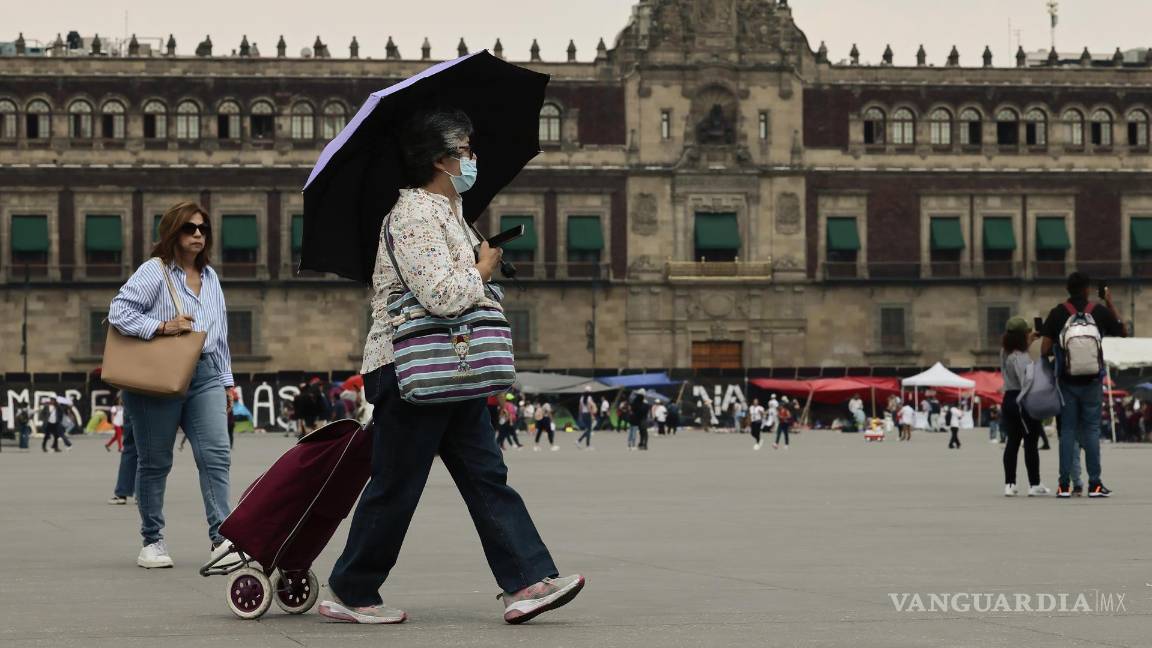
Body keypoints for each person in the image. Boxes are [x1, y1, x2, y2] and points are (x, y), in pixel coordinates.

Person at [321, 111, 582, 625]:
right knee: (397, 484)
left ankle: (526, 581)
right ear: (439, 159)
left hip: (452, 365)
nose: (473, 158)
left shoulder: (453, 214)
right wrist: (480, 270)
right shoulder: (412, 217)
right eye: (465, 149)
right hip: (410, 367)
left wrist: (483, 265)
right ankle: (352, 590)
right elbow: (441, 296)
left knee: (487, 474)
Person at [108, 200, 235, 569]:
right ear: (173, 233)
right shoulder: (155, 271)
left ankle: (222, 538)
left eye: (203, 229)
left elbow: (220, 336)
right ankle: (153, 540)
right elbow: (118, 311)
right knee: (155, 461)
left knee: (216, 455)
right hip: (157, 377)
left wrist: (227, 382)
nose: (198, 234)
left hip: (206, 372)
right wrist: (162, 326)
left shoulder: (211, 279)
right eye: (190, 228)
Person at [1040, 272, 1127, 498]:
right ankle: (1095, 484)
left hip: (1067, 382)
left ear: (1068, 290)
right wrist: (1108, 302)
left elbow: (1044, 350)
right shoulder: (1098, 312)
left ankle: (1064, 485)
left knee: (1067, 431)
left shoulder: (1058, 313)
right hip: (1092, 382)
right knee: (1092, 431)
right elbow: (1122, 332)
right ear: (1087, 289)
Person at [1000, 317, 1051, 497]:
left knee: (1012, 441)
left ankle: (1010, 483)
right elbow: (1026, 381)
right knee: (1031, 441)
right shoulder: (1021, 357)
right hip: (1022, 399)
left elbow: (1017, 351)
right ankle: (1034, 483)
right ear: (1022, 335)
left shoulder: (1005, 352)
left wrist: (1029, 342)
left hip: (1008, 398)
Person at [108, 412, 138, 505]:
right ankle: (144, 494)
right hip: (155, 404)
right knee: (149, 450)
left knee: (129, 449)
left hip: (134, 405)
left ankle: (122, 493)